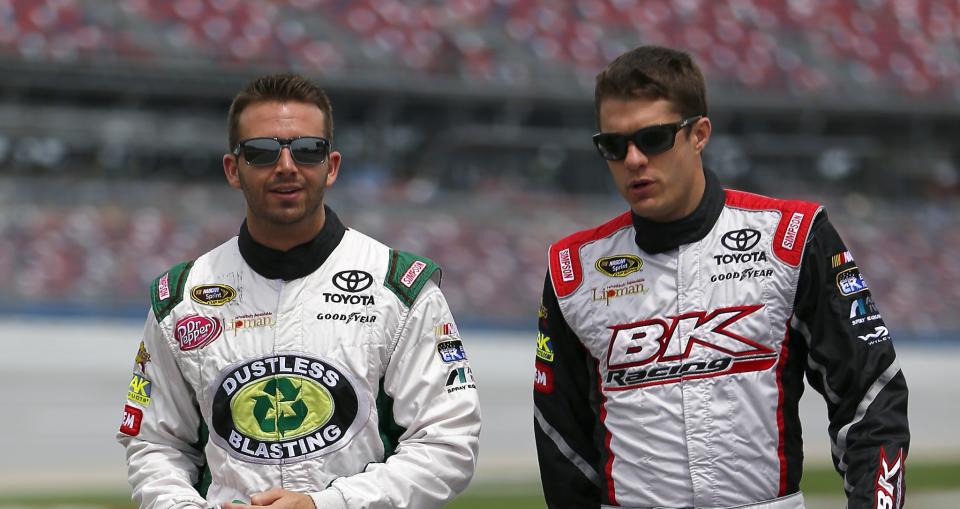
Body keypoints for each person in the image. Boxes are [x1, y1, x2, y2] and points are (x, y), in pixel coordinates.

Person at [533, 46, 909, 509]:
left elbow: (871, 395)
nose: (632, 160)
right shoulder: (573, 269)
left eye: (652, 138)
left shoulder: (791, 238)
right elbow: (561, 442)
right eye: (613, 145)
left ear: (699, 134)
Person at [116, 73, 481, 509]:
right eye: (262, 152)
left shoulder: (398, 289)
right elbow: (155, 444)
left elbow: (447, 443)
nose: (286, 166)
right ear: (234, 169)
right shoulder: (182, 298)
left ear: (332, 166)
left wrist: (325, 505)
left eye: (308, 150)